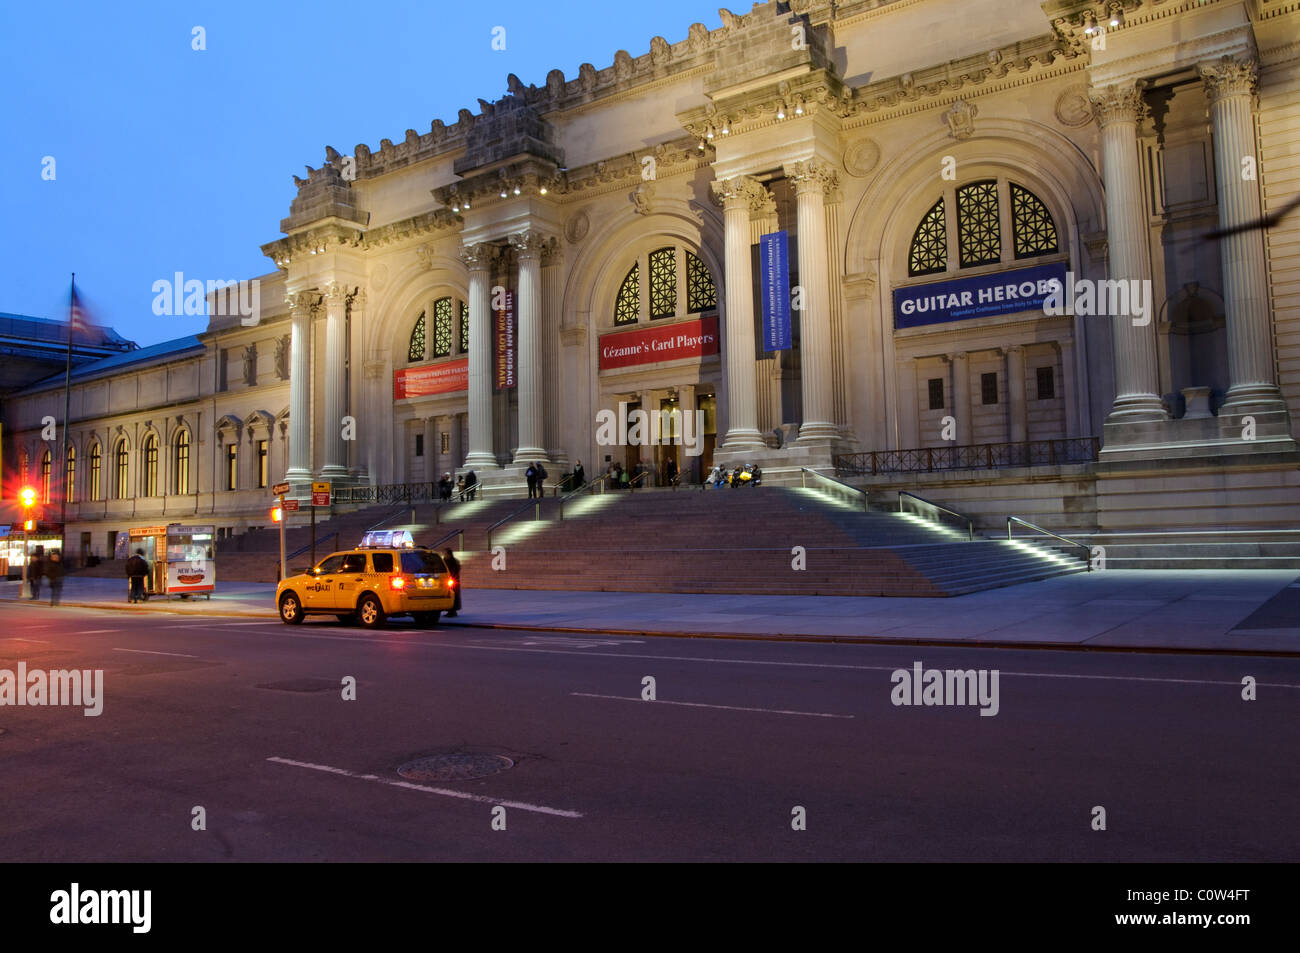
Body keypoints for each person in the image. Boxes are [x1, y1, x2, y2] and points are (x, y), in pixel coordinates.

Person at [442, 547, 462, 617]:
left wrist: (451, 577)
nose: (444, 555)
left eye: (445, 553)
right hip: (447, 581)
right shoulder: (444, 561)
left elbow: (455, 571)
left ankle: (453, 611)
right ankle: (450, 610)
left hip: (453, 581)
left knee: (454, 596)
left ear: (449, 554)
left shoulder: (453, 562)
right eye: (444, 553)